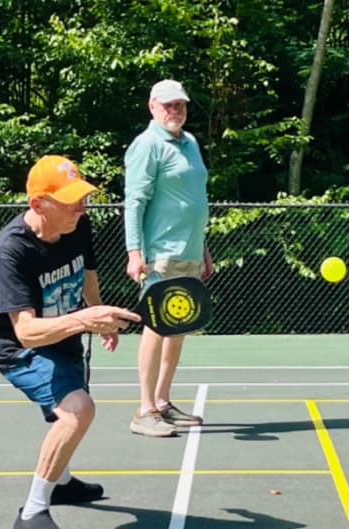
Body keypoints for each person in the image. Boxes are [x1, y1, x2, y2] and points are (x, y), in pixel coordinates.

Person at [0, 155, 140, 529]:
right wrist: (88, 318)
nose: (81, 206)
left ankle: (62, 482)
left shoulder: (78, 225)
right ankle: (32, 516)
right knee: (78, 409)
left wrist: (98, 311)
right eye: (70, 199)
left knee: (65, 415)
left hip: (67, 337)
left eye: (83, 197)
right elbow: (25, 331)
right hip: (21, 350)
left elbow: (87, 272)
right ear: (38, 204)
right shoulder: (12, 249)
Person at [123, 79, 213, 437]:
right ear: (153, 108)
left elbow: (194, 201)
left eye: (180, 105)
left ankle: (162, 402)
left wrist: (203, 247)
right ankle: (144, 410)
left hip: (189, 252)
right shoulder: (147, 145)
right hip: (158, 255)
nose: (175, 110)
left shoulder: (190, 143)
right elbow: (134, 202)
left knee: (178, 325)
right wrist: (134, 252)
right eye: (168, 105)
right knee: (157, 325)